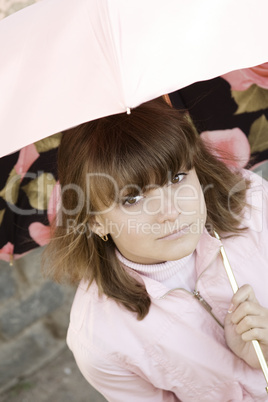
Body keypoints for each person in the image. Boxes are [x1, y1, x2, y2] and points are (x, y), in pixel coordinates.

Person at [45, 97, 268, 401]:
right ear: (95, 222)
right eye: (132, 199)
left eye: (177, 178)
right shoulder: (99, 341)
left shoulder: (253, 204)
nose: (170, 211)